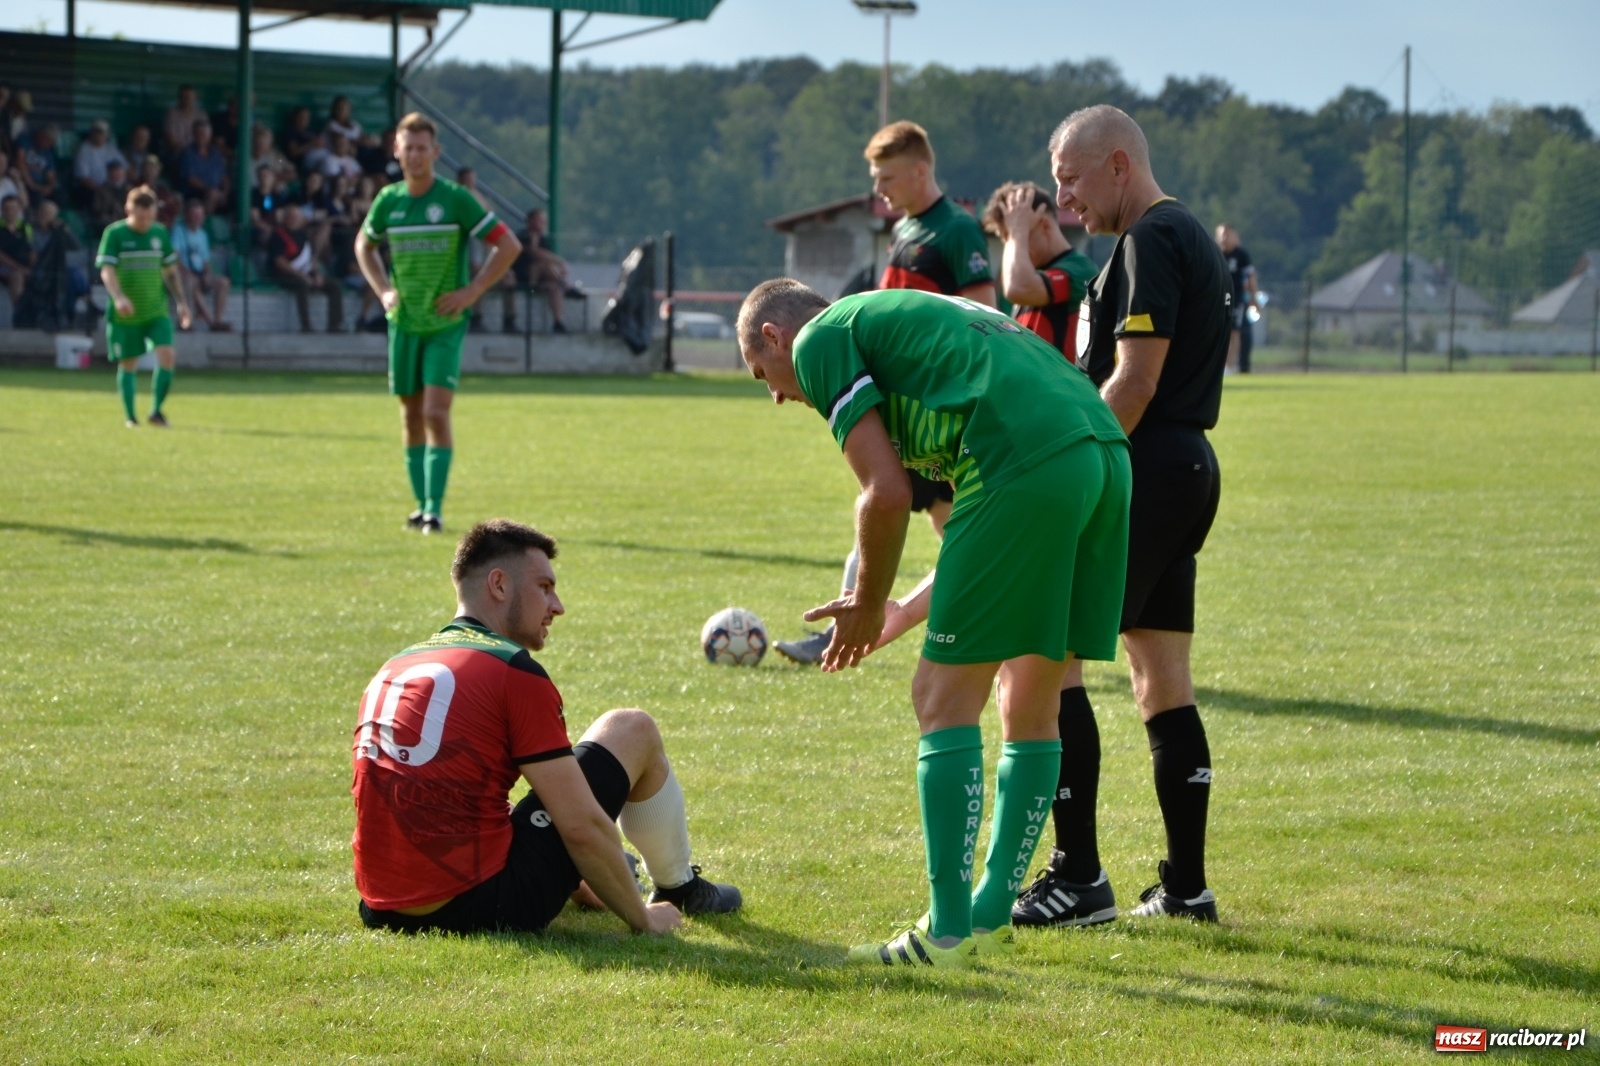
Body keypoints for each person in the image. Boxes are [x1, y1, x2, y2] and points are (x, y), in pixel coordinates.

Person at [739, 280, 1128, 967]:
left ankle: (945, 933)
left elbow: (885, 494)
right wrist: (897, 610)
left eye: (760, 373)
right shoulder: (910, 334)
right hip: (1101, 452)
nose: (773, 395)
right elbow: (978, 533)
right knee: (1032, 703)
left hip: (1023, 458)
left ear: (774, 338)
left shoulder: (819, 337)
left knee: (939, 699)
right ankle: (986, 919)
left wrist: (862, 602)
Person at [1011, 104, 1230, 929]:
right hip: (1184, 468)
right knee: (1161, 681)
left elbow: (1133, 384)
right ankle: (1185, 890)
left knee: (1051, 659)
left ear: (1118, 167)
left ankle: (1078, 879)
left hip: (1141, 468)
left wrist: (1070, 468)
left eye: (1070, 178)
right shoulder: (1180, 236)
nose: (1064, 197)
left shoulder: (1150, 240)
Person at [353, 518, 741, 936]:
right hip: (477, 905)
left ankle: (604, 875)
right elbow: (580, 826)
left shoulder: (396, 665)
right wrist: (644, 920)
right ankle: (679, 887)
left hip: (381, 906)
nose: (557, 606)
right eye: (544, 587)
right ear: (499, 585)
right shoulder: (511, 670)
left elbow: (452, 799)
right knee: (632, 728)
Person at [774, 120, 995, 665]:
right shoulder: (905, 231)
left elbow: (986, 314)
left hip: (938, 408)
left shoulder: (956, 230)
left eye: (887, 176)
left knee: (952, 531)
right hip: (904, 408)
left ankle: (985, 628)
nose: (879, 189)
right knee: (929, 527)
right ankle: (851, 626)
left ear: (921, 170)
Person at [355, 112, 522, 535]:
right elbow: (364, 244)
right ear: (396, 150)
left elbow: (508, 244)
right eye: (406, 147)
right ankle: (418, 506)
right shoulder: (389, 201)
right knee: (410, 415)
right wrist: (383, 290)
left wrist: (472, 291)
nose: (414, 155)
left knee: (434, 411)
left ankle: (435, 508)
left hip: (445, 324)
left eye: (421, 148)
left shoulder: (455, 199)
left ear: (436, 153)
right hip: (404, 322)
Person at [97, 185, 193, 427]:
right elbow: (107, 270)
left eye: (149, 217)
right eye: (140, 217)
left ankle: (156, 411)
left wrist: (182, 303)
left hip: (156, 310)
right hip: (126, 314)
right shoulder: (115, 234)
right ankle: (130, 417)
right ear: (128, 209)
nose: (144, 222)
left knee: (167, 354)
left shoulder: (159, 234)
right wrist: (118, 297)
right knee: (129, 363)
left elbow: (171, 272)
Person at [983, 180, 1099, 363]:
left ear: (1045, 226)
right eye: (1007, 239)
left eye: (1016, 234)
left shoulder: (1079, 269)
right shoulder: (1027, 274)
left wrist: (1016, 232)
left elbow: (1018, 288)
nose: (1013, 246)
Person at [457, 168, 517, 333]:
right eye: (467, 180)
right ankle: (476, 319)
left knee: (509, 278)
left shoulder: (492, 237)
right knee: (478, 278)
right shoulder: (470, 235)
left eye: (473, 180)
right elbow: (475, 264)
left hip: (488, 268)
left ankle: (510, 320)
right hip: (471, 272)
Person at [268, 202, 344, 333]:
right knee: (302, 285)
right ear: (285, 218)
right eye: (291, 216)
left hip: (306, 272)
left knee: (335, 285)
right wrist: (301, 276)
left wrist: (317, 274)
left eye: (296, 217)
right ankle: (306, 325)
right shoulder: (278, 236)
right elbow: (280, 262)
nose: (294, 220)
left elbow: (310, 259)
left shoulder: (302, 235)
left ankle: (334, 325)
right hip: (287, 275)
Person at [512, 207, 576, 334]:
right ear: (530, 221)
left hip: (542, 278)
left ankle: (558, 321)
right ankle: (566, 285)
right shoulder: (521, 236)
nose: (543, 224)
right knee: (543, 263)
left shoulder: (544, 240)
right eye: (539, 220)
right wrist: (560, 261)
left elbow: (547, 255)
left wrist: (557, 264)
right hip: (525, 275)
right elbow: (534, 252)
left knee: (554, 288)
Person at [172, 199, 230, 330]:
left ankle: (218, 318)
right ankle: (211, 323)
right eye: (194, 215)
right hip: (186, 273)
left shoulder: (203, 235)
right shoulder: (178, 231)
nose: (197, 219)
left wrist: (207, 274)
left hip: (200, 273)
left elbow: (205, 260)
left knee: (223, 282)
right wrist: (186, 272)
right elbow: (175, 257)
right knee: (191, 282)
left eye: (200, 215)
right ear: (187, 216)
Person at [1216, 224, 1258, 374]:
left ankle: (1230, 367)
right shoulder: (1215, 254)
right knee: (1218, 333)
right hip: (1218, 299)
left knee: (1234, 332)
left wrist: (1254, 299)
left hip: (1235, 299)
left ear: (1234, 237)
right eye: (1221, 235)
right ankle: (1217, 365)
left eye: (1227, 235)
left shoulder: (1241, 255)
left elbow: (1251, 278)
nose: (1223, 238)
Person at [177, 119, 228, 217]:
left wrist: (225, 192)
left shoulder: (216, 153)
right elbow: (190, 179)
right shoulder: (187, 153)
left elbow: (223, 176)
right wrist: (210, 190)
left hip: (217, 191)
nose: (201, 137)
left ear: (210, 135)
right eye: (199, 133)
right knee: (212, 194)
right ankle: (204, 224)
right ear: (194, 134)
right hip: (195, 192)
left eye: (204, 134)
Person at [73, 119, 127, 206]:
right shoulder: (84, 150)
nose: (99, 135)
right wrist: (102, 189)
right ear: (92, 133)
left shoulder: (110, 148)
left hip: (113, 188)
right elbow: (82, 178)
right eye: (97, 132)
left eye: (102, 133)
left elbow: (125, 167)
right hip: (93, 190)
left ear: (107, 134)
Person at [0, 194, 34, 308]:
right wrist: (19, 267)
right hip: (5, 268)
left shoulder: (26, 227)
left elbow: (31, 249)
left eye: (13, 208)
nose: (10, 211)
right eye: (7, 208)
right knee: (17, 276)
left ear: (19, 209)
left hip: (24, 267)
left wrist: (32, 267)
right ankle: (19, 313)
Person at [19, 123, 59, 206]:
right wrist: (31, 184)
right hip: (25, 182)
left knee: (60, 195)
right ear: (41, 136)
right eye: (48, 142)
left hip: (40, 185)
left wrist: (49, 187)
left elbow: (51, 174)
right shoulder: (26, 140)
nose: (48, 146)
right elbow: (20, 162)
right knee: (36, 196)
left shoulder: (47, 152)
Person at [89, 159, 132, 235]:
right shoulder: (102, 190)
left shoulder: (130, 189)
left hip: (128, 219)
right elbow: (97, 209)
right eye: (113, 171)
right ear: (108, 173)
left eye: (118, 170)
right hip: (110, 221)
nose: (116, 173)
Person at [162, 86, 205, 161]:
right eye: (185, 97)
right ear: (179, 98)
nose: (188, 100)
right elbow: (171, 140)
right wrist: (187, 153)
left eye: (190, 97)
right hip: (178, 153)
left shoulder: (201, 115)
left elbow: (205, 138)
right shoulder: (172, 114)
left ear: (195, 99)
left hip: (197, 153)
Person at [0, 147, 29, 212]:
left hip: (14, 221)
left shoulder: (9, 183)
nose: (2, 166)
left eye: (4, 163)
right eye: (0, 163)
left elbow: (24, 204)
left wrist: (18, 181)